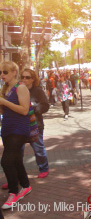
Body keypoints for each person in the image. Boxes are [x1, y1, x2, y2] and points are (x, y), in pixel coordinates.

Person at [0, 61, 32, 209]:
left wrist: (4, 103)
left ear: (14, 72)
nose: (2, 75)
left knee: (6, 161)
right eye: (0, 72)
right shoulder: (4, 89)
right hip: (7, 129)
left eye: (5, 72)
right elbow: (4, 112)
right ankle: (25, 185)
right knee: (16, 160)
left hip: (19, 130)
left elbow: (24, 110)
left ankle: (14, 193)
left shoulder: (21, 87)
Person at [21, 69, 50, 178]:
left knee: (38, 148)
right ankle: (17, 175)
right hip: (20, 125)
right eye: (22, 77)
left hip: (35, 124)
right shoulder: (18, 90)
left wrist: (35, 108)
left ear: (33, 79)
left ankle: (43, 168)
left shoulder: (38, 91)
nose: (24, 79)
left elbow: (45, 105)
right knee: (17, 151)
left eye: (27, 77)